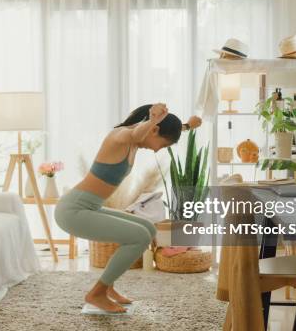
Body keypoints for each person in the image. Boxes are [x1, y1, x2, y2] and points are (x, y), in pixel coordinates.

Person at [55, 103, 202, 313]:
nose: (160, 148)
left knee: (149, 229)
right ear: (153, 129)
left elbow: (150, 133)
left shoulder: (138, 139)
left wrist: (188, 126)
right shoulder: (120, 136)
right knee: (139, 237)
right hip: (73, 211)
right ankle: (96, 293)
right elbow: (135, 134)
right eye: (164, 143)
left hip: (90, 207)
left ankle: (108, 286)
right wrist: (152, 120)